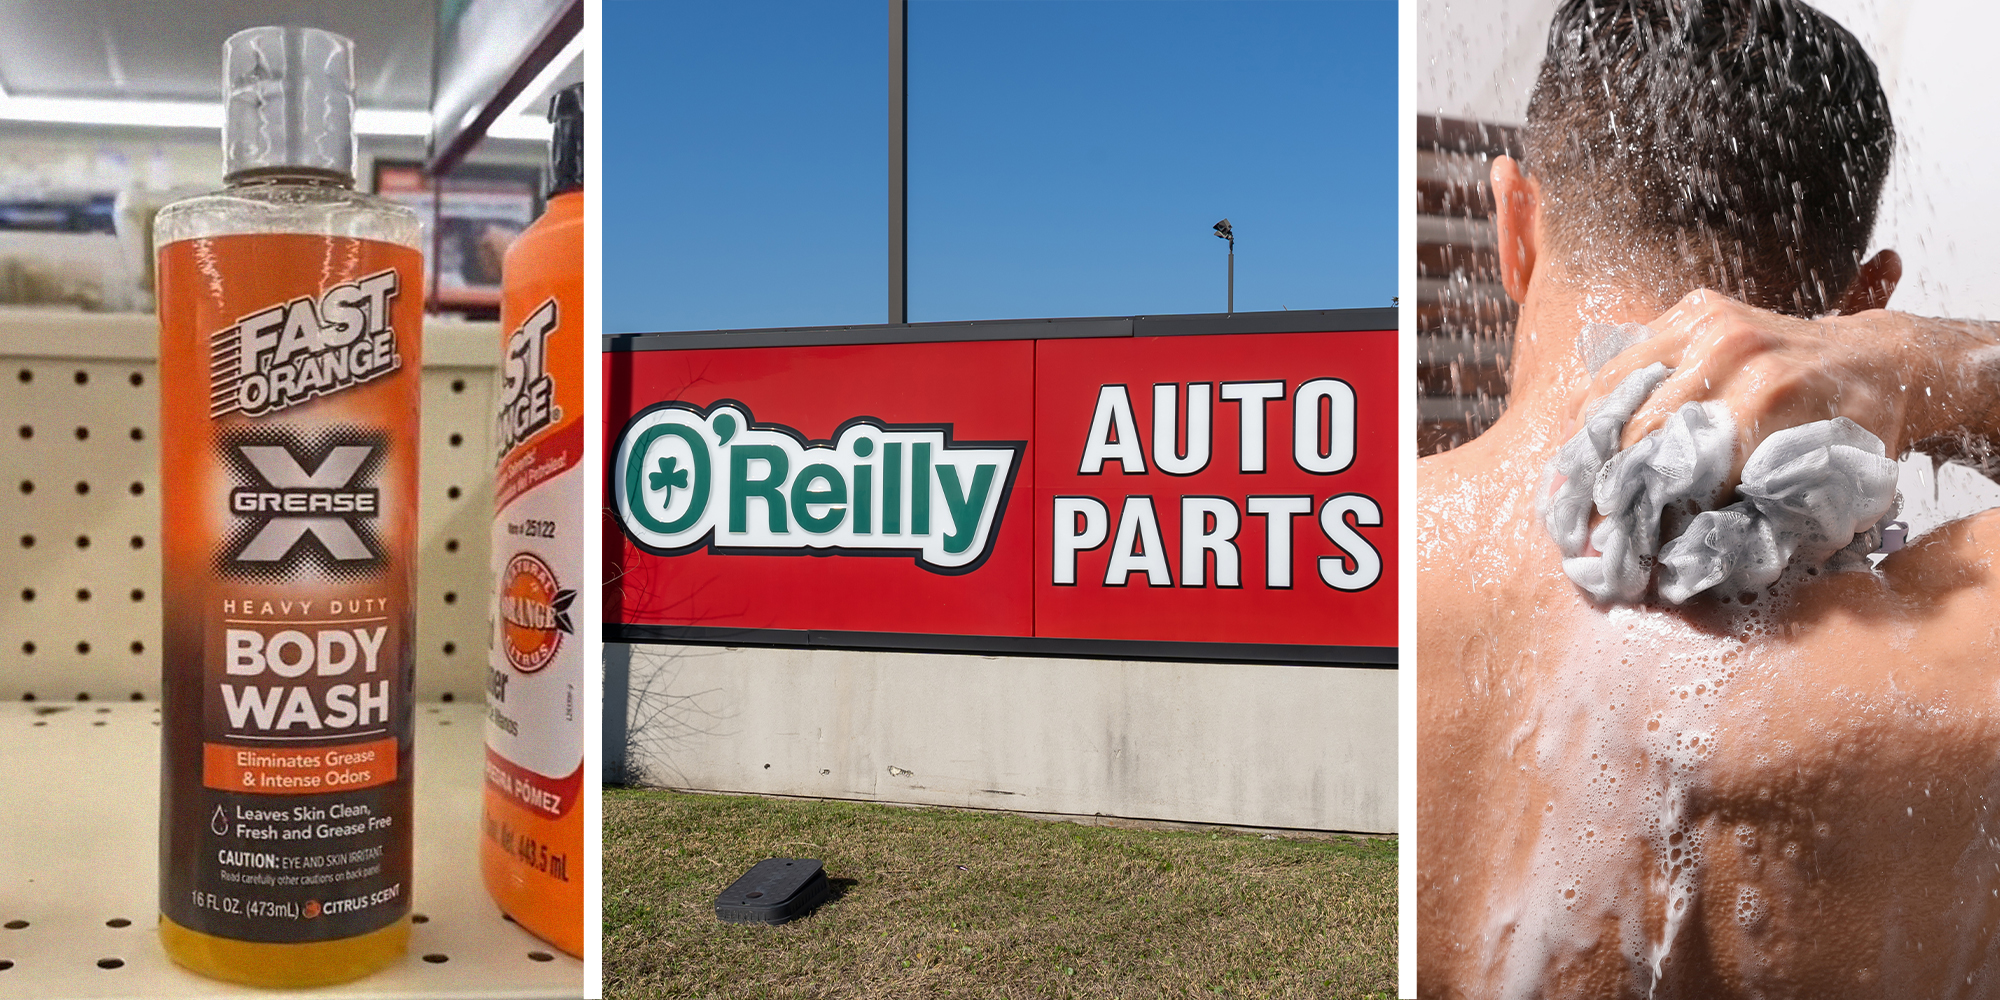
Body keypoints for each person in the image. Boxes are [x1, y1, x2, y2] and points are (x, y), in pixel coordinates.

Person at [1419, 1, 2000, 996]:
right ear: (1862, 300)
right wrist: (1939, 366)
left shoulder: (1396, 554)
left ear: (1511, 223)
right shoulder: (1954, 658)